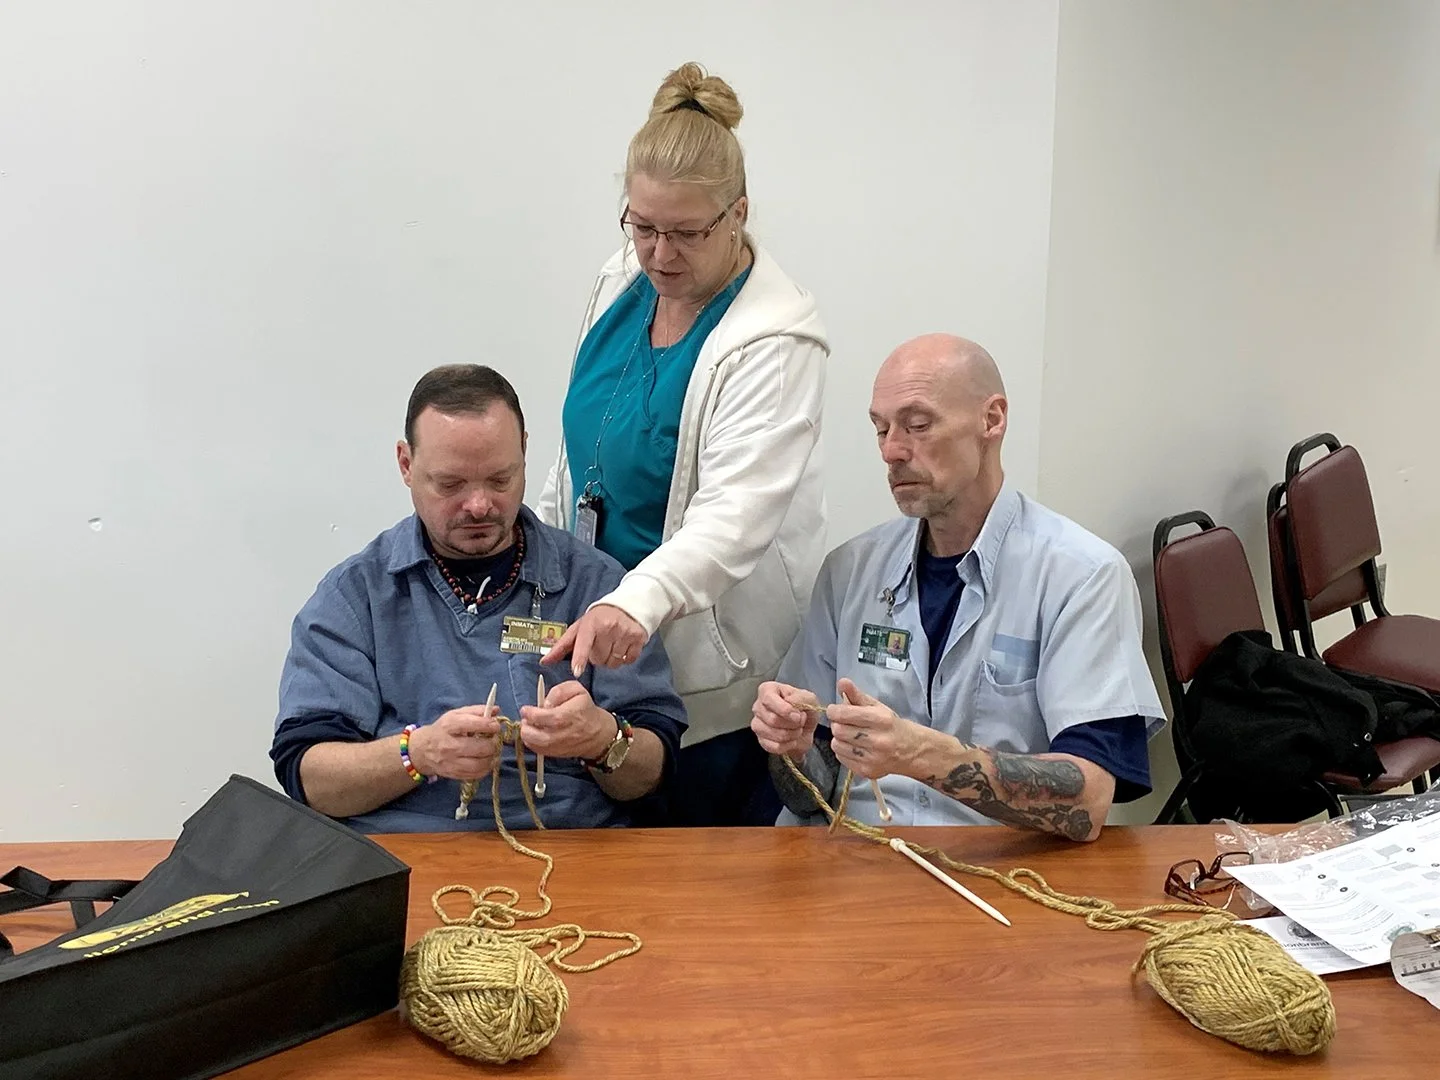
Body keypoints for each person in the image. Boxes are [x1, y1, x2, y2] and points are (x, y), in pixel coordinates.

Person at [536, 62, 828, 827]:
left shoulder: (777, 334)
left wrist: (635, 602)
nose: (660, 254)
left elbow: (733, 517)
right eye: (642, 226)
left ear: (737, 214)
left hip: (707, 668)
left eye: (687, 233)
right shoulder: (620, 280)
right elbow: (577, 457)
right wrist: (536, 558)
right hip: (603, 631)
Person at [751, 334, 1165, 840]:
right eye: (880, 429)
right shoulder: (849, 572)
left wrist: (919, 754)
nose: (892, 451)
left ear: (992, 420)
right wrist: (790, 748)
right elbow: (806, 796)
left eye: (918, 425)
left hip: (1000, 868)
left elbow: (1089, 800)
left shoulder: (1081, 575)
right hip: (858, 861)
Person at [271, 365, 686, 832]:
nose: (479, 505)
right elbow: (310, 779)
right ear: (406, 465)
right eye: (451, 485)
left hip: (572, 849)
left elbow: (653, 774)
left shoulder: (597, 586)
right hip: (406, 856)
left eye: (499, 479)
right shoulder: (356, 596)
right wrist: (419, 753)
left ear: (525, 451)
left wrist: (603, 740)